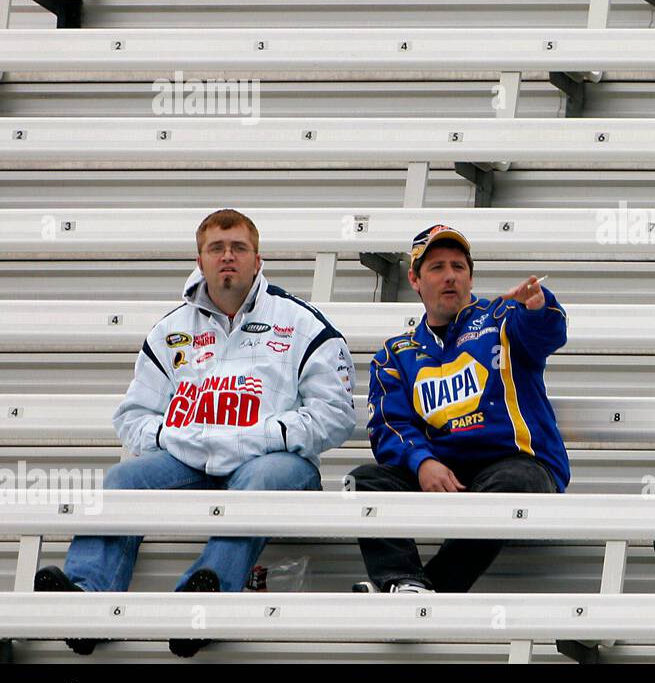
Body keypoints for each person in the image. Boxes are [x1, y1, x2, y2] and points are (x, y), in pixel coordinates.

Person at [34, 208, 357, 657]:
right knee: (123, 480)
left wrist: (264, 436)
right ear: (200, 260)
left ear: (258, 260)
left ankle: (202, 602)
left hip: (273, 463)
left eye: (239, 248)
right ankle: (87, 602)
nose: (228, 257)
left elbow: (337, 414)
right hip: (189, 460)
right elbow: (132, 417)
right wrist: (174, 438)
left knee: (258, 482)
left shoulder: (303, 323)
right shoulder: (170, 331)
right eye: (217, 249)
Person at [350, 223, 569, 593]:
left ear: (470, 276)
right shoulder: (395, 354)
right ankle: (401, 579)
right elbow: (389, 425)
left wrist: (538, 307)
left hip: (515, 466)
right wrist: (423, 463)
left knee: (511, 485)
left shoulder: (503, 318)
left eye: (458, 267)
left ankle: (424, 590)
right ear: (415, 280)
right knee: (363, 480)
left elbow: (549, 333)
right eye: (436, 268)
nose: (450, 277)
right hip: (443, 474)